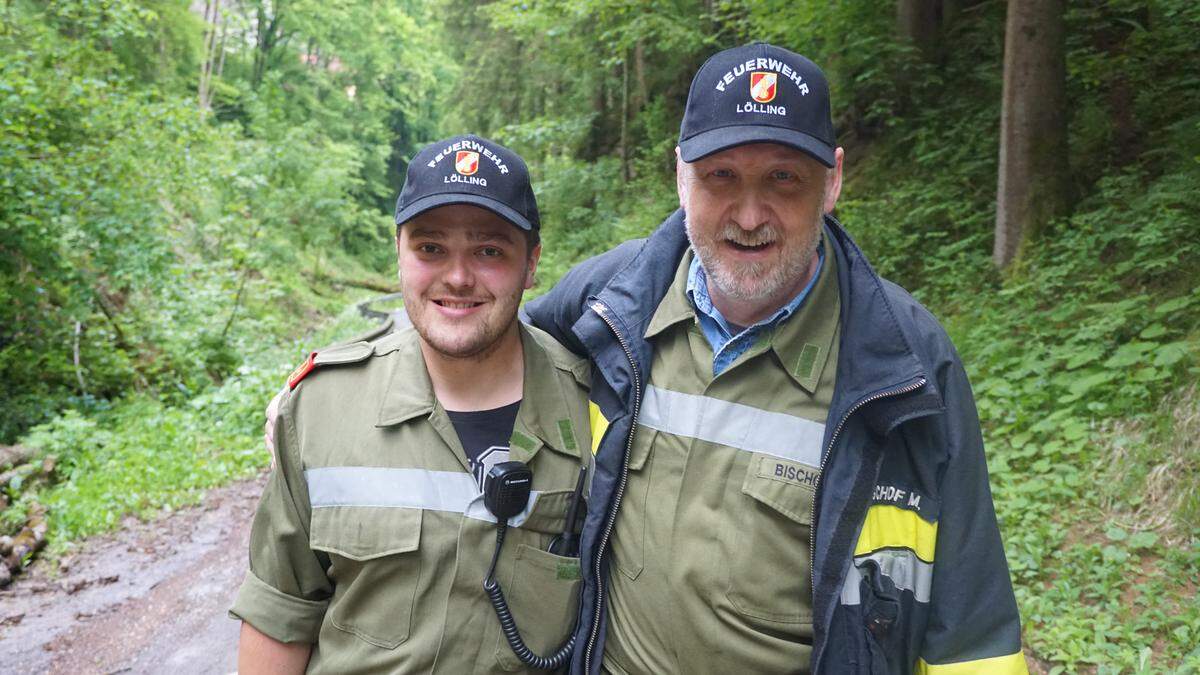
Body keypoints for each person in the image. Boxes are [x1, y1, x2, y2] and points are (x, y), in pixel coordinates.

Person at [524, 43, 1027, 674]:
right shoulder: (613, 298)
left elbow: (971, 636)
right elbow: (495, 350)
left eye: (783, 178)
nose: (750, 215)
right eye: (721, 176)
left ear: (833, 180)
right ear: (680, 175)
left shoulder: (905, 365)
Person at [231, 134, 593, 674]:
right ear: (398, 252)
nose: (457, 277)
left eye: (489, 250)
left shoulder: (597, 408)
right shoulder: (321, 407)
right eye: (430, 248)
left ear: (532, 262)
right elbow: (280, 611)